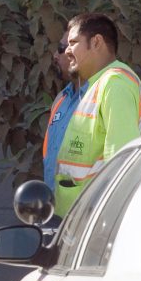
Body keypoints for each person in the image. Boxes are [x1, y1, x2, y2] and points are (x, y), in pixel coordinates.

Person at [54, 13, 141, 217]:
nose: (67, 51)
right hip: (80, 218)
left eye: (73, 43)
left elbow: (121, 161)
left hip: (96, 218)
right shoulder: (98, 84)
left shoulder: (116, 84)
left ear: (96, 42)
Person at [43, 30, 87, 193]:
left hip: (87, 208)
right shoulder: (61, 99)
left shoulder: (98, 98)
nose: (55, 55)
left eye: (61, 48)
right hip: (56, 206)